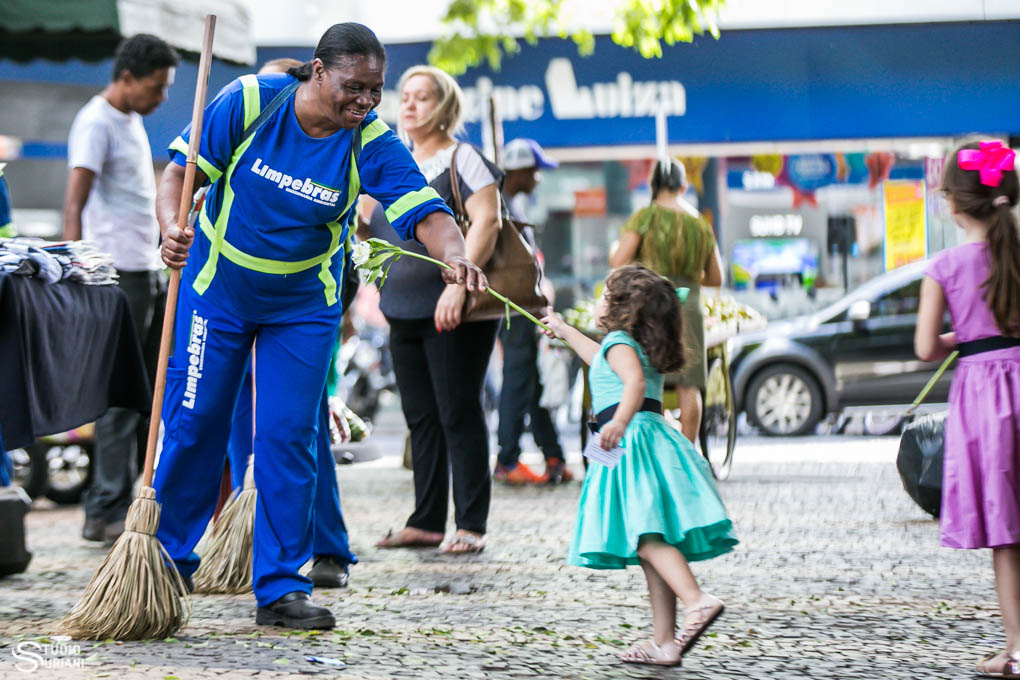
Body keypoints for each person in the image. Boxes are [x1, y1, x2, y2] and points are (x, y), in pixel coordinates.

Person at [153, 23, 486, 630]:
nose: (365, 102)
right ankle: (166, 562)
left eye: (375, 90)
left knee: (287, 437)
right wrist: (169, 225)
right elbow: (180, 174)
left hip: (302, 308)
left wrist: (456, 256)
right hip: (217, 293)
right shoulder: (252, 100)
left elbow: (426, 211)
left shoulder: (370, 140)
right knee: (196, 422)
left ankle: (282, 585)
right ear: (317, 70)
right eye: (354, 87)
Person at [540, 265, 737, 667]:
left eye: (604, 293)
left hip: (631, 443)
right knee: (649, 545)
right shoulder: (623, 345)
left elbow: (633, 385)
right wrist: (561, 328)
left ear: (620, 305)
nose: (599, 300)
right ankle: (665, 642)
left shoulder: (619, 342)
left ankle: (697, 600)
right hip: (646, 438)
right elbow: (597, 359)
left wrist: (617, 422)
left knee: (647, 540)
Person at [221, 55, 355, 590]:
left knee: (299, 430)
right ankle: (245, 535)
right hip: (232, 294)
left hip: (301, 302)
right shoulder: (245, 119)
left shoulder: (341, 143)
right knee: (233, 418)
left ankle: (327, 546)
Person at [362, 65, 501, 554]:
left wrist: (459, 287)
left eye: (423, 97)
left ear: (444, 106)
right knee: (420, 416)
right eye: (406, 96)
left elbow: (488, 221)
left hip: (453, 308)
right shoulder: (389, 159)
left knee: (457, 411)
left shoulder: (464, 158)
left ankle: (470, 523)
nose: (410, 104)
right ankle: (425, 520)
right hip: (402, 307)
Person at [63, 34, 179, 543]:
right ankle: (103, 509)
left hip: (145, 270)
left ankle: (125, 497)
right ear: (128, 77)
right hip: (112, 276)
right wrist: (74, 275)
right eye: (156, 88)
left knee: (143, 392)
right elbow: (74, 205)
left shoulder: (131, 121)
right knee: (115, 395)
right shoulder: (96, 121)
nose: (162, 99)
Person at [915, 140, 1020, 678]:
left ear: (953, 205)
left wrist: (970, 335)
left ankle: (1017, 648)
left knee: (1008, 529)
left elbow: (925, 347)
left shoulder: (947, 265)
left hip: (985, 395)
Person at [609, 159, 722, 444]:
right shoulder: (700, 224)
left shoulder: (645, 217)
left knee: (644, 375)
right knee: (689, 384)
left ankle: (648, 444)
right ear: (683, 186)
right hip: (689, 307)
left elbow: (619, 262)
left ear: (653, 185)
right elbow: (716, 277)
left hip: (650, 304)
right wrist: (688, 276)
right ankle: (688, 450)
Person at [493, 138, 569, 485]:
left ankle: (553, 455)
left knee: (531, 383)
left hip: (524, 306)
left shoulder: (510, 205)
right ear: (521, 171)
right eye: (535, 171)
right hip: (515, 308)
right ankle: (507, 460)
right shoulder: (500, 207)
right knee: (517, 381)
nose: (539, 178)